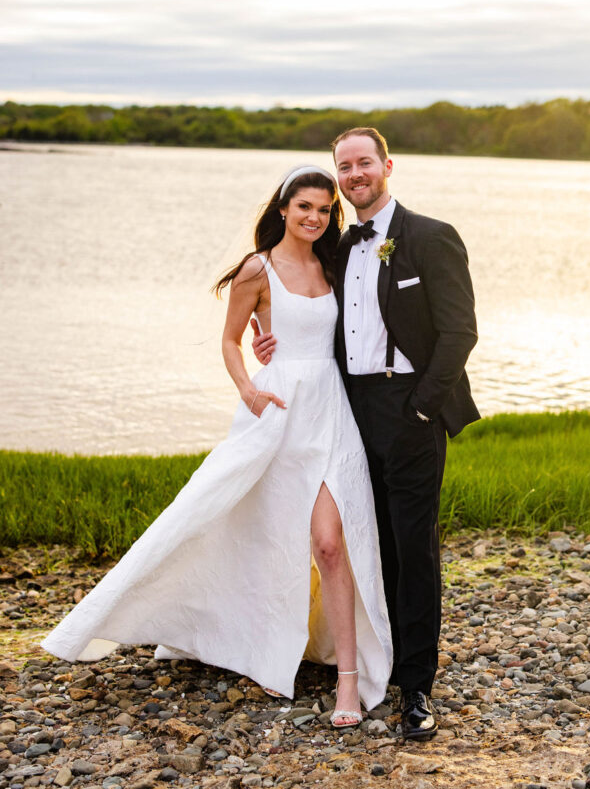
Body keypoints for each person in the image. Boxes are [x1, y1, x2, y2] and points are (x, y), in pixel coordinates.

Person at [42, 166, 393, 727]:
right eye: (304, 206)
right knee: (230, 516)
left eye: (325, 209)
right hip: (277, 410)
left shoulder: (335, 263)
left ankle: (348, 679)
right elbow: (231, 340)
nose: (314, 217)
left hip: (331, 409)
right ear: (282, 208)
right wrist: (249, 388)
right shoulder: (257, 268)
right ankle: (190, 620)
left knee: (331, 541)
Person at [253, 129, 479, 740]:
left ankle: (416, 689)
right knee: (364, 542)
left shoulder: (432, 238)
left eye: (363, 163)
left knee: (413, 550)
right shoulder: (336, 247)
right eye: (343, 166)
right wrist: (265, 336)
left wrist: (424, 411)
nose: (354, 174)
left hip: (411, 412)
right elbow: (307, 311)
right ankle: (364, 660)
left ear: (386, 166)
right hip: (346, 412)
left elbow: (460, 334)